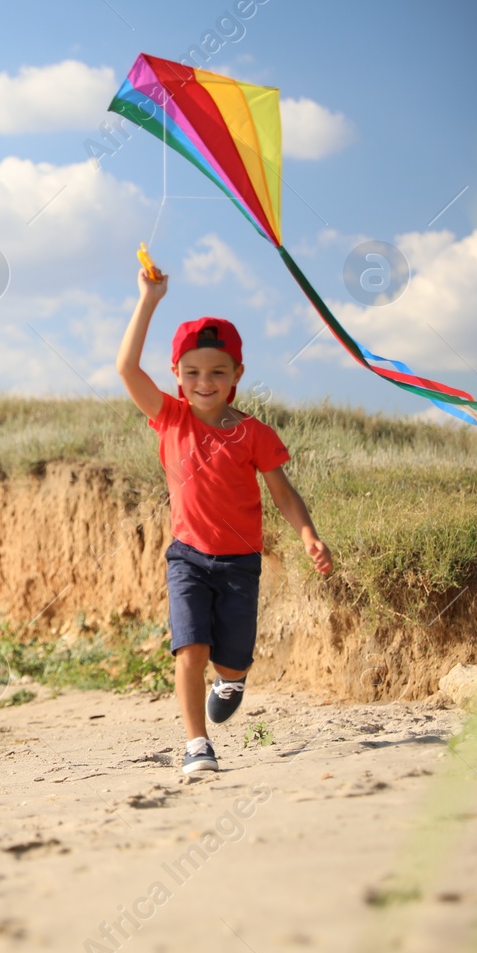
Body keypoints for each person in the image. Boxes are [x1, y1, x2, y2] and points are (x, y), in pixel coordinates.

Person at [116, 257, 333, 775]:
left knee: (231, 660)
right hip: (188, 557)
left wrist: (308, 534)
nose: (204, 382)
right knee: (190, 648)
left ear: (237, 374)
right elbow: (126, 369)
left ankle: (231, 679)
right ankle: (197, 744)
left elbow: (283, 493)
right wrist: (148, 300)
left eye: (217, 371)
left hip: (239, 564)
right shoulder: (169, 417)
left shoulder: (254, 433)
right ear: (176, 375)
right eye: (192, 372)